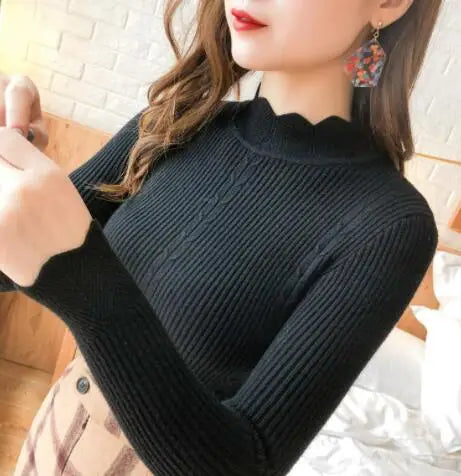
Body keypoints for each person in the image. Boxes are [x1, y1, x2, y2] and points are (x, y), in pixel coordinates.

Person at [0, 0, 443, 474]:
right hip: (45, 449)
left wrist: (81, 280)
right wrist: (12, 148)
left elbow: (244, 464)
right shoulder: (175, 123)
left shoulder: (389, 225)